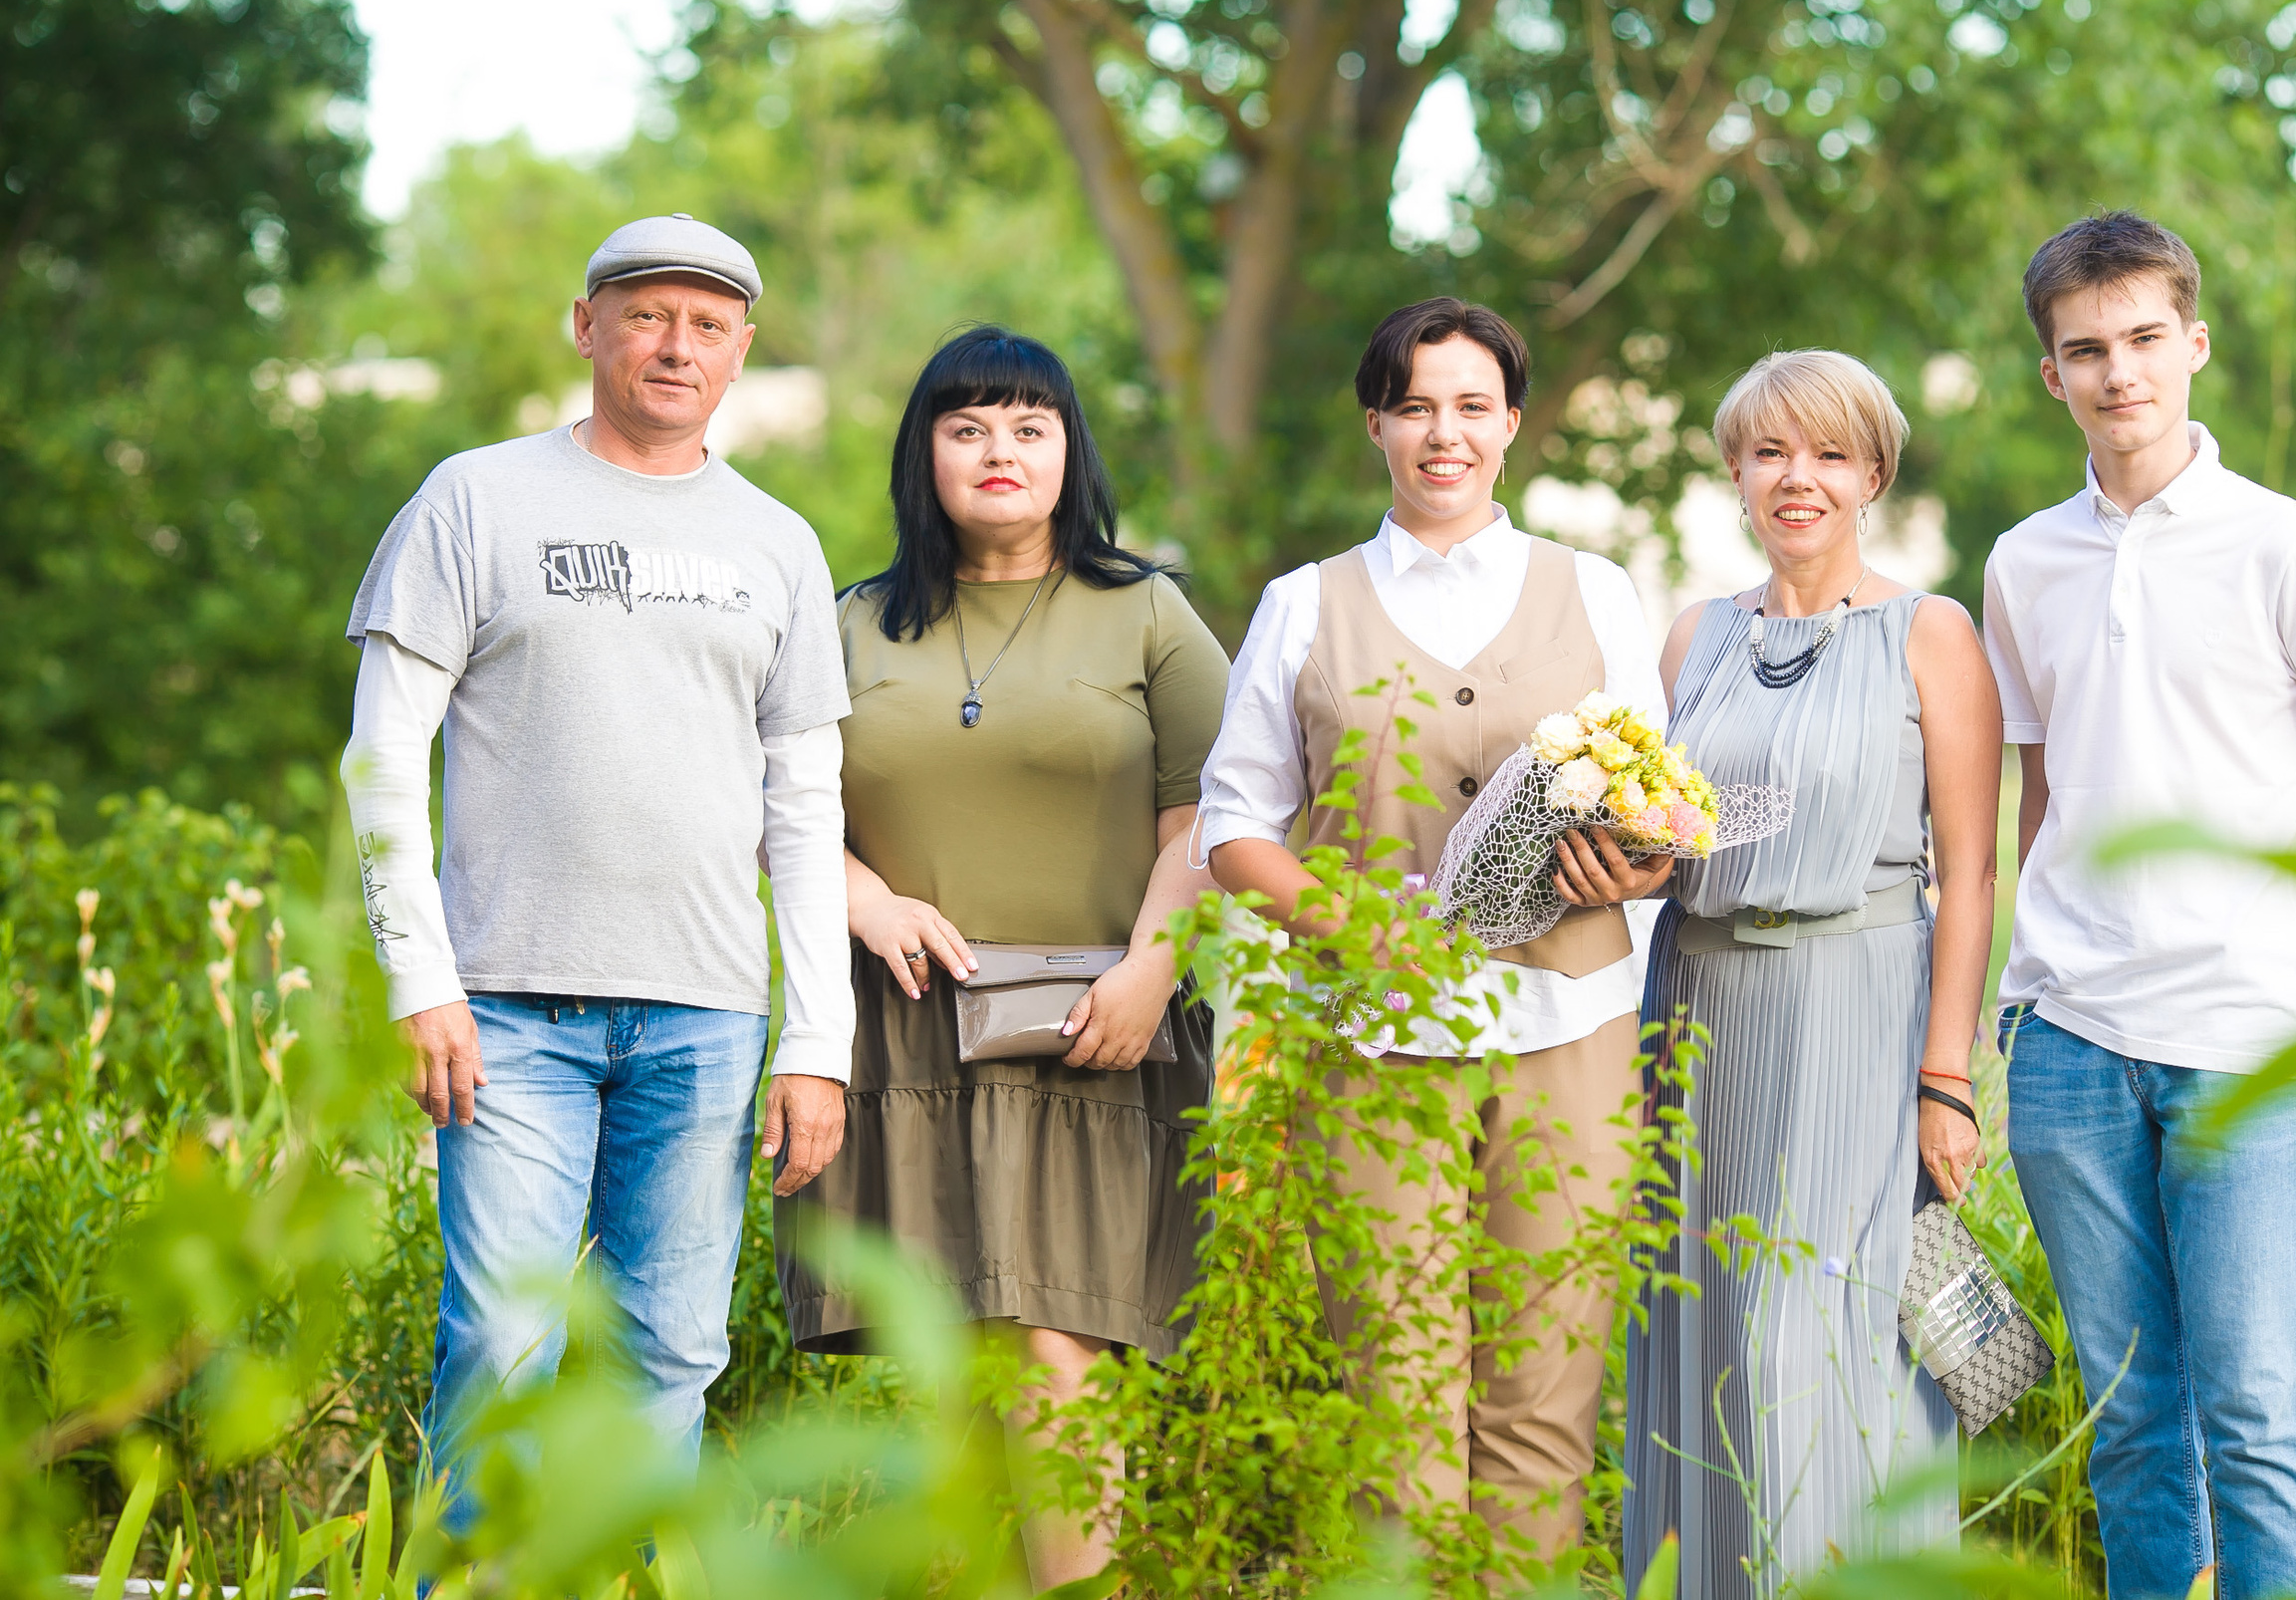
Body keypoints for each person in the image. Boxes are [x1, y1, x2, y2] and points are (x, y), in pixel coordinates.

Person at [339, 215, 856, 1514]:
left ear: (741, 352)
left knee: (668, 1357)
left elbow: (805, 804)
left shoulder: (778, 541)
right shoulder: (476, 496)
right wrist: (419, 975)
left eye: (708, 323)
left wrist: (818, 1040)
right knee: (503, 1347)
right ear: (587, 325)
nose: (674, 344)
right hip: (507, 1007)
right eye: (646, 313)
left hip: (709, 1015)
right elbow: (383, 755)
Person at [1985, 211, 2296, 1600]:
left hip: (2240, 1033)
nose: (2118, 372)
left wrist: (2236, 899)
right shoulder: (2022, 562)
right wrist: (2033, 964)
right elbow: (2043, 789)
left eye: (2141, 340)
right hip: (2066, 1037)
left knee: (2254, 1417)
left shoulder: (2283, 544)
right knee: (2128, 1411)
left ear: (2194, 343)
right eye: (2084, 350)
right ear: (2049, 372)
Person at [1200, 297, 1667, 1572]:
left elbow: (1654, 813)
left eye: (1470, 406)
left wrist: (1629, 865)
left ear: (1511, 425)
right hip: (1370, 1044)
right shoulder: (1304, 606)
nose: (1442, 434)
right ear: (1377, 427)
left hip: (1568, 1030)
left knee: (1543, 1396)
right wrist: (1336, 918)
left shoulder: (1598, 592)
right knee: (1394, 1414)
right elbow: (1233, 827)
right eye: (1414, 406)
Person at [773, 325, 1227, 1589]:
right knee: (951, 1369)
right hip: (907, 1030)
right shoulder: (851, 622)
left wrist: (1150, 968)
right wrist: (860, 898)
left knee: (1052, 1347)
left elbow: (1214, 812)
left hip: (1092, 1030)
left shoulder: (1144, 609)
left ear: (1069, 451)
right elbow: (774, 799)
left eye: (1029, 427)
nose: (999, 452)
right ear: (926, 453)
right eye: (967, 426)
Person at [1622, 350, 1999, 1595]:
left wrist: (1945, 1078)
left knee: (1825, 1337)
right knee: (1701, 1329)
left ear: (1873, 475)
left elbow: (1970, 875)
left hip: (1860, 1011)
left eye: (1830, 454)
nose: (1800, 478)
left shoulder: (1931, 635)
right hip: (1693, 1012)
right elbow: (1660, 846)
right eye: (1771, 451)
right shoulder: (1694, 638)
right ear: (1733, 471)